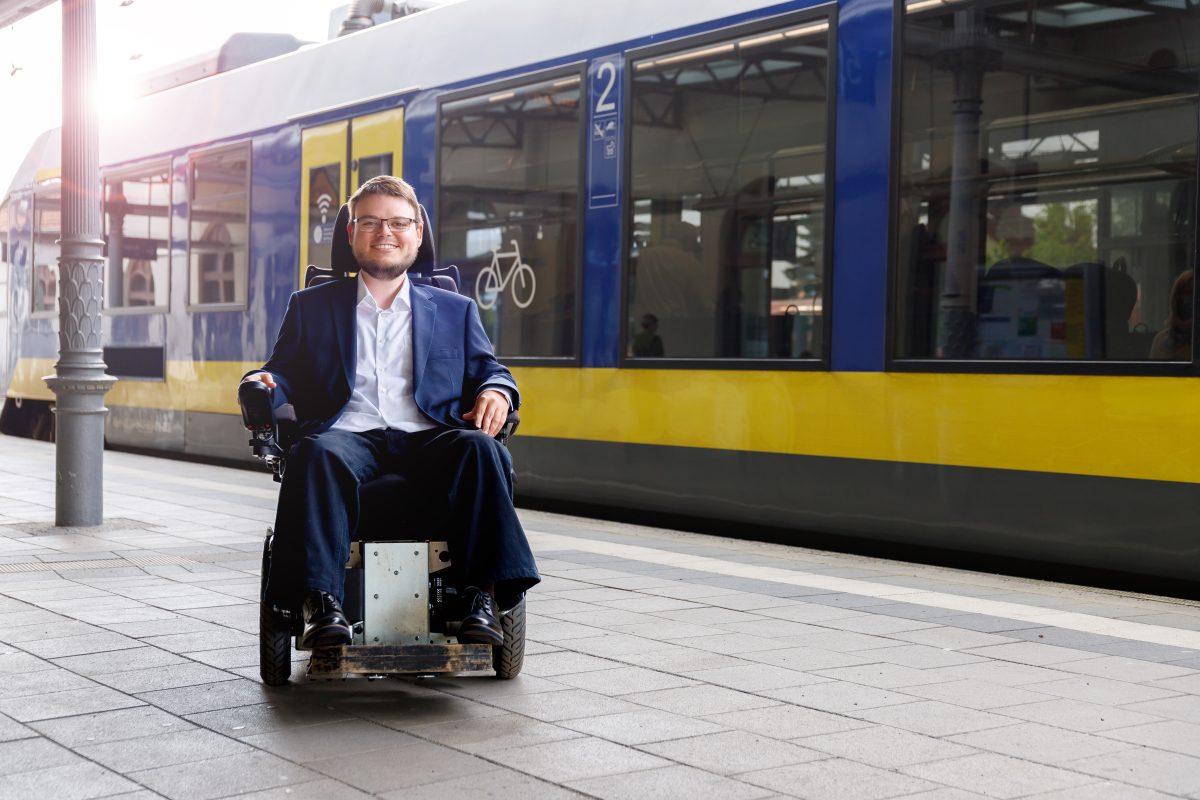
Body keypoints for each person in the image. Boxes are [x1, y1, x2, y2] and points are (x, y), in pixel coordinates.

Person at [242, 175, 539, 649]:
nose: (386, 232)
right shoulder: (310, 307)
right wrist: (262, 383)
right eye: (372, 222)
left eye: (399, 223)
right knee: (313, 454)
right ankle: (321, 604)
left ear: (418, 234)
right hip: (346, 437)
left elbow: (491, 371)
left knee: (481, 450)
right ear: (351, 233)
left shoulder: (455, 309)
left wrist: (499, 391)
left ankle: (478, 598)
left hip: (431, 437)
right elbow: (281, 372)